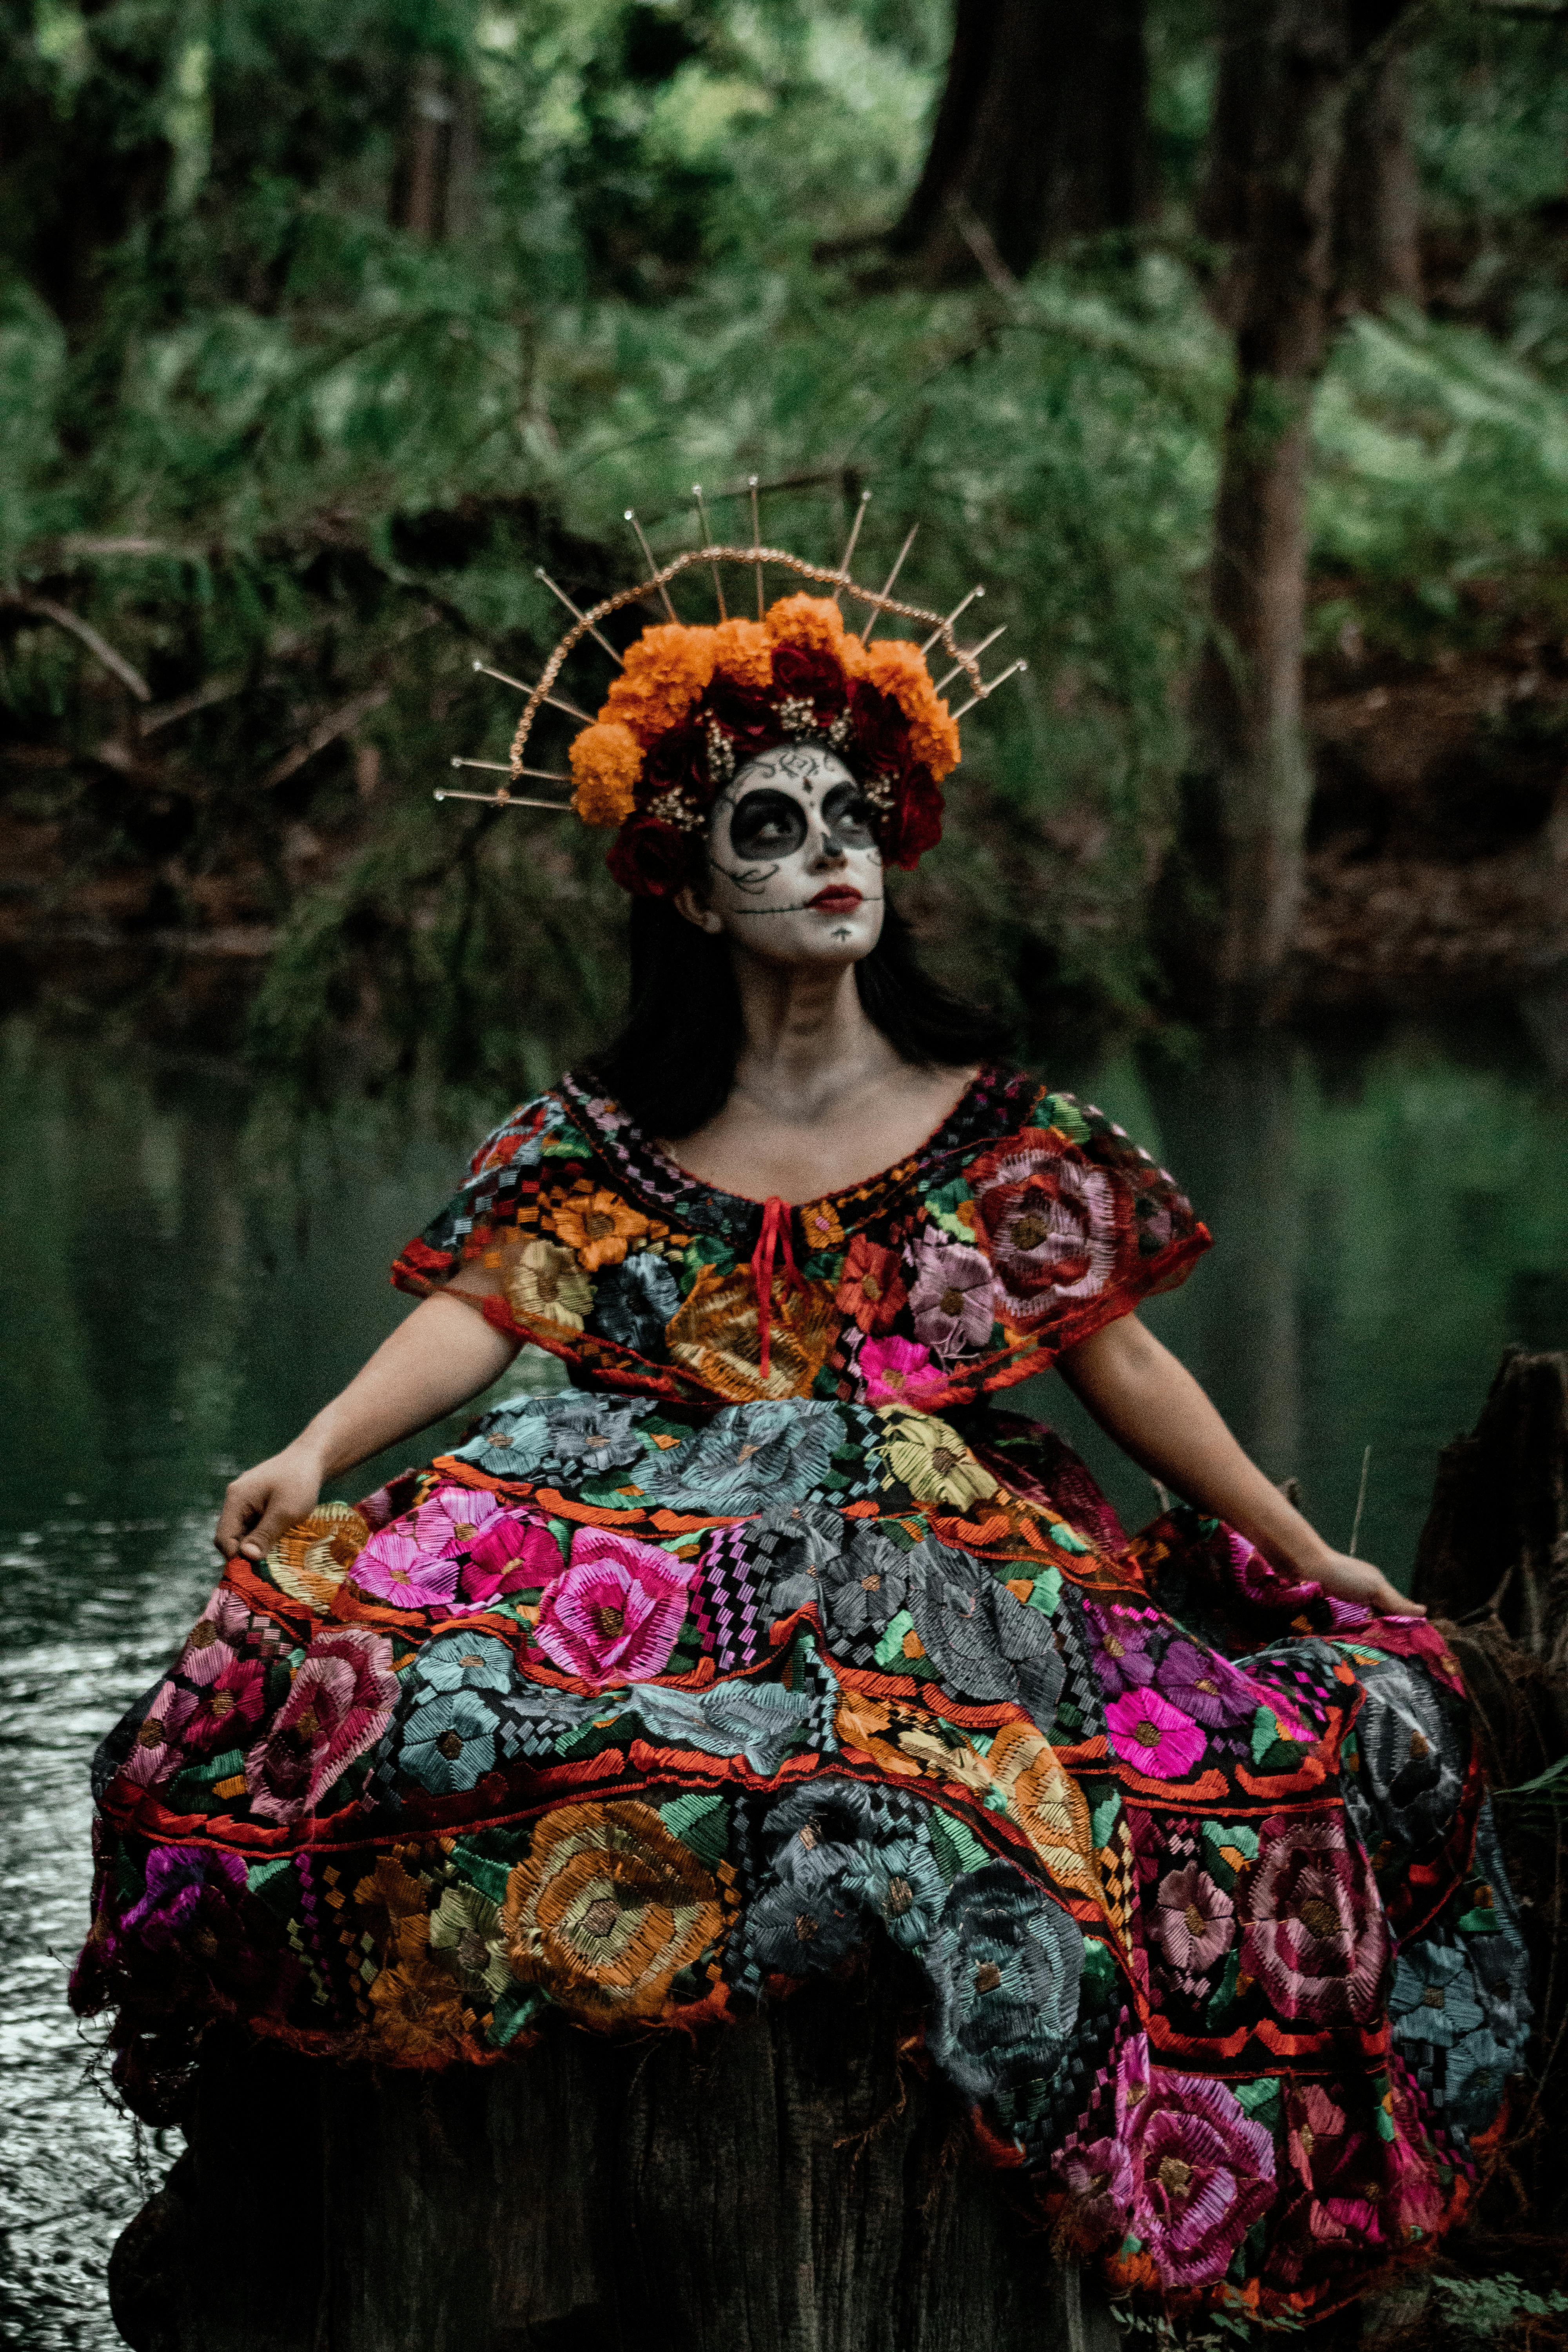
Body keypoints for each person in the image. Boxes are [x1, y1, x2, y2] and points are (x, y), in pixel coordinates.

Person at [74, 570, 1529, 2328]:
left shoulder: (995, 1131)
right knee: (375, 1698)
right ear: (691, 884)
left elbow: (1121, 1365)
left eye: (856, 817)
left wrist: (1301, 1551)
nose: (835, 855)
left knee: (978, 1792)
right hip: (630, 1510)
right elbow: (485, 1310)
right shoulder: (605, 1143)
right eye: (775, 828)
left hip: (921, 1539)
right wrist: (313, 1448)